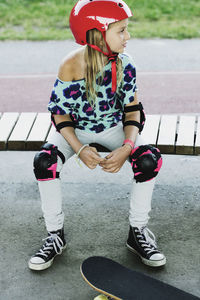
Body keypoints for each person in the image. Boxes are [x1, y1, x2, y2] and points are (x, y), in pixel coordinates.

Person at [28, 0, 166, 271]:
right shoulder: (70, 65)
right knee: (45, 162)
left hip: (113, 127)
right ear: (96, 34)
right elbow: (61, 114)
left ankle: (138, 232)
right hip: (76, 129)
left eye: (127, 30)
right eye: (121, 31)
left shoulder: (125, 64)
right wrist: (79, 148)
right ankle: (55, 235)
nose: (128, 37)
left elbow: (132, 109)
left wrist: (127, 146)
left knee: (149, 160)